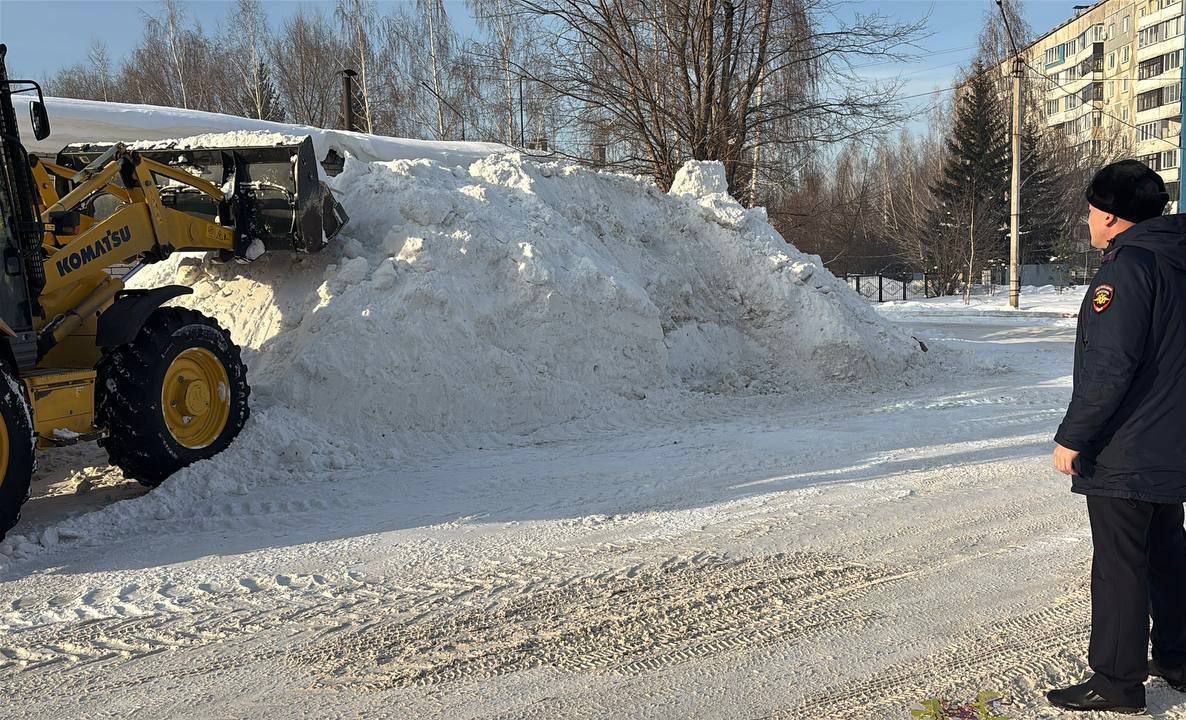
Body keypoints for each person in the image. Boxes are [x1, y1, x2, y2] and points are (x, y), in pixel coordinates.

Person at [1048, 159, 1186, 714]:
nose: (1088, 220)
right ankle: (1176, 658)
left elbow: (1110, 364)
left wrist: (1074, 436)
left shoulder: (1126, 270)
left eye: (1090, 211)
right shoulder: (1176, 260)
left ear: (1110, 215)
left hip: (1128, 446)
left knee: (1119, 564)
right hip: (1172, 440)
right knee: (1166, 554)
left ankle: (1115, 682)